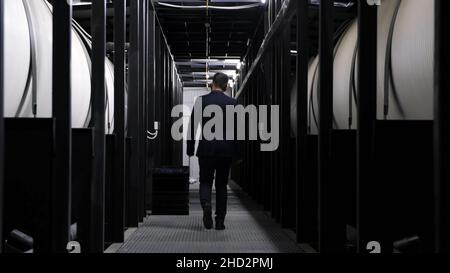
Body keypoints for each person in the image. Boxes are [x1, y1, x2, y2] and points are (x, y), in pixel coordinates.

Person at [187, 72, 240, 230]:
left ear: (212, 84)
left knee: (205, 181)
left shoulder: (201, 101)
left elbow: (192, 127)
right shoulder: (233, 103)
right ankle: (220, 221)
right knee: (222, 185)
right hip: (226, 150)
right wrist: (237, 154)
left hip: (206, 150)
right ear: (225, 86)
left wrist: (190, 148)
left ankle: (206, 206)